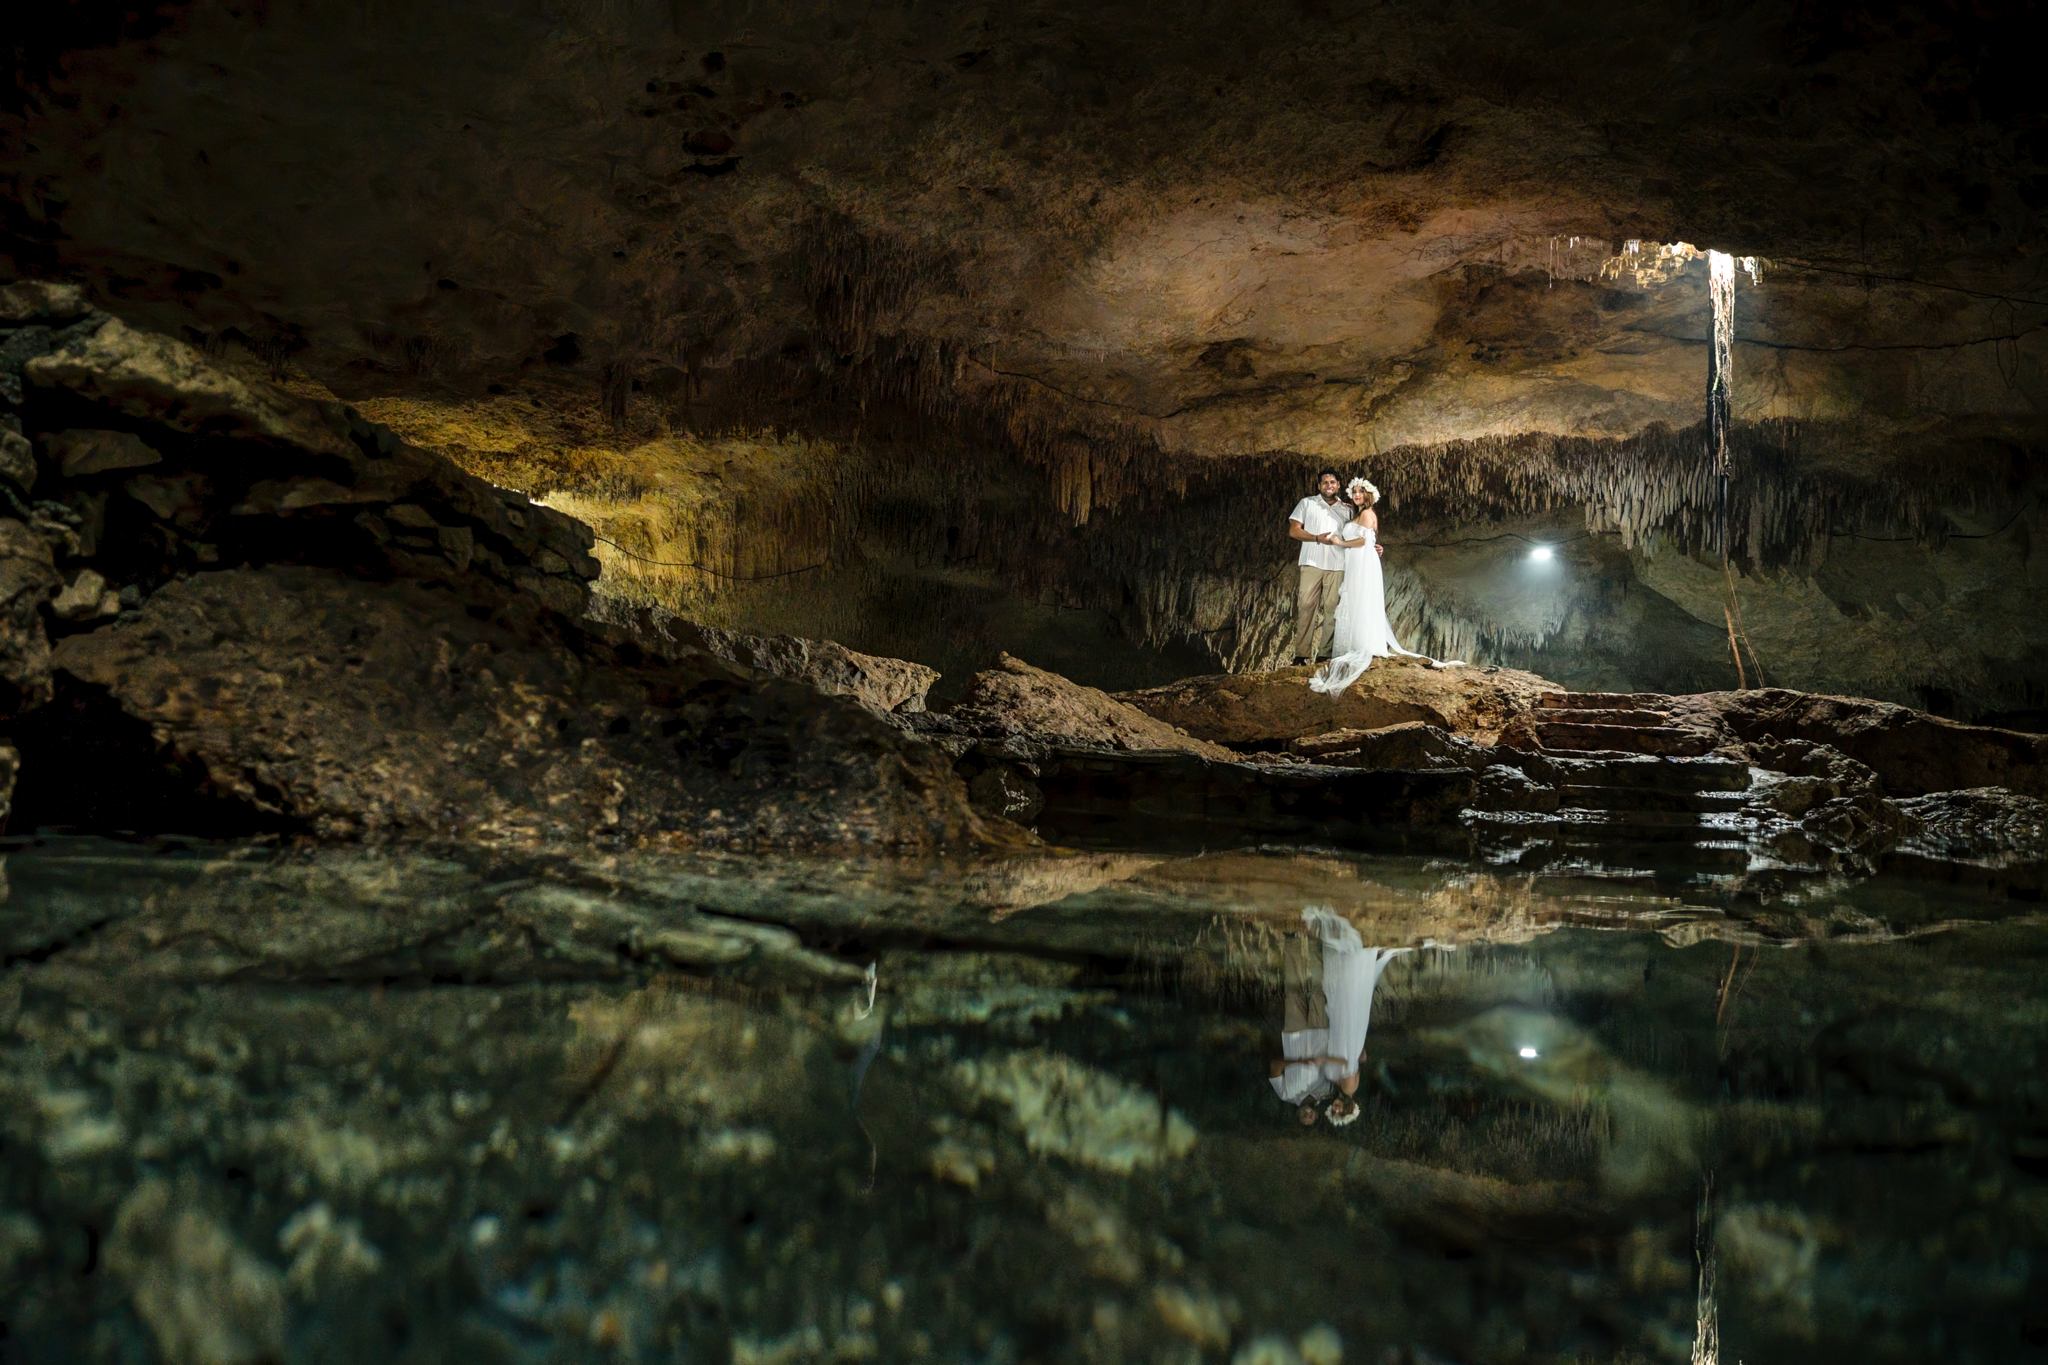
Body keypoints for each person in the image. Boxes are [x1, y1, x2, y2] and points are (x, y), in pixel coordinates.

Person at [1309, 477, 1463, 697]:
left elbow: (1363, 541)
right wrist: (1371, 546)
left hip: (1363, 561)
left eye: (1361, 492)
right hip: (1357, 560)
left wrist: (1340, 542)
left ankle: (1363, 644)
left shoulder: (1367, 513)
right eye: (1354, 492)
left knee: (1361, 599)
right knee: (1355, 599)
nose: (1357, 495)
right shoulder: (1358, 515)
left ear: (1368, 495)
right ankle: (1355, 643)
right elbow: (1370, 540)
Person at [1286, 471, 1356, 666]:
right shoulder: (1307, 503)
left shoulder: (1348, 509)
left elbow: (1356, 534)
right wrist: (1317, 538)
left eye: (1332, 482)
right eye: (1324, 482)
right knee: (1306, 606)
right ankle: (1301, 655)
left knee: (1333, 609)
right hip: (1312, 562)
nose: (1328, 485)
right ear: (1319, 486)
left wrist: (1372, 546)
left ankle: (1325, 654)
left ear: (1338, 485)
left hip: (1338, 564)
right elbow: (1294, 531)